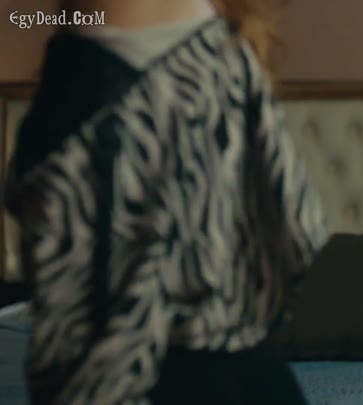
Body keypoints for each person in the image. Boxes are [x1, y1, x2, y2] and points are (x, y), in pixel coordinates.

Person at [4, 0, 328, 403]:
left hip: (164, 381)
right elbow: (294, 233)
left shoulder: (102, 94)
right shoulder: (221, 47)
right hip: (255, 377)